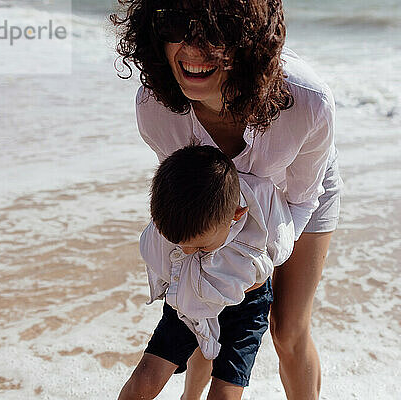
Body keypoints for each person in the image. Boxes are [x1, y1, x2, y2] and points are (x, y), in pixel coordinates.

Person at [111, 0, 342, 398]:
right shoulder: (155, 107)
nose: (192, 47)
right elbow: (186, 189)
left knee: (287, 329)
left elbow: (303, 200)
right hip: (214, 203)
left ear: (245, 41)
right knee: (205, 306)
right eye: (176, 26)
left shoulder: (306, 102)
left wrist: (251, 261)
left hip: (295, 197)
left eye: (213, 33)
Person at [118, 144, 294, 400]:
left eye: (199, 246)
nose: (188, 252)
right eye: (179, 244)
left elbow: (281, 244)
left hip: (246, 308)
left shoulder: (262, 198)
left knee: (226, 390)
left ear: (237, 215)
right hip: (190, 299)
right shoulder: (175, 212)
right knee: (147, 376)